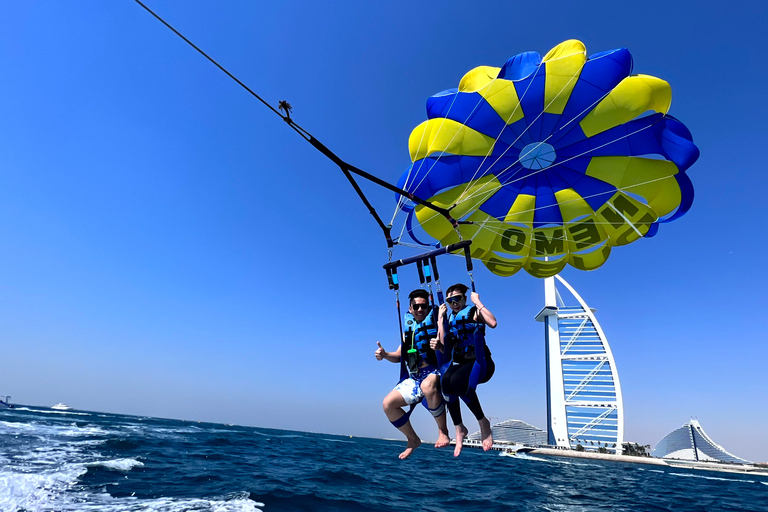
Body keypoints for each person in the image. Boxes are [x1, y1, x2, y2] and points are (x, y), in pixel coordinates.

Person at [375, 289, 450, 459]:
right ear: (410, 308)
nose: (420, 309)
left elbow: (448, 353)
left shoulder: (438, 323)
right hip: (415, 376)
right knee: (388, 404)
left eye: (423, 306)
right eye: (416, 306)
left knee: (427, 386)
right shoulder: (408, 331)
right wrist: (385, 355)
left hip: (436, 370)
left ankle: (442, 431)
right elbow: (399, 357)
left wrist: (439, 344)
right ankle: (413, 439)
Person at [432, 283, 497, 457]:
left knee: (456, 381)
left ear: (464, 298)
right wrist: (440, 319)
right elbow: (443, 345)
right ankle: (459, 428)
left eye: (457, 299)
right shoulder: (450, 318)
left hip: (482, 364)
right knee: (445, 383)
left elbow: (493, 322)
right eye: (450, 301)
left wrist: (478, 303)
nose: (454, 303)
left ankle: (483, 423)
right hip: (462, 366)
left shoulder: (473, 312)